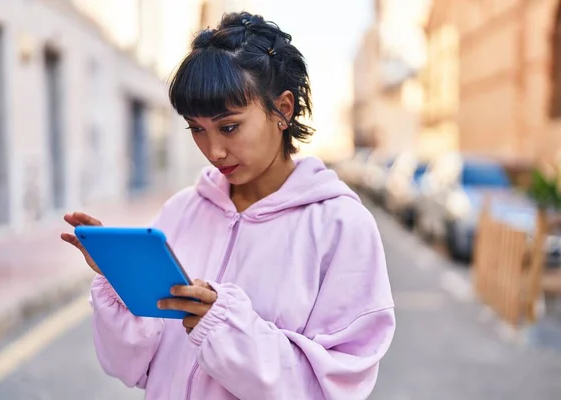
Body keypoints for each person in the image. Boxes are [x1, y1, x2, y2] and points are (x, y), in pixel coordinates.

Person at [61, 11, 395, 400]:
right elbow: (131, 367)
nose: (214, 150)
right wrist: (123, 282)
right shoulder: (181, 211)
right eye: (197, 129)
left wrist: (225, 329)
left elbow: (336, 385)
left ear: (283, 109)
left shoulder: (340, 225)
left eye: (229, 126)